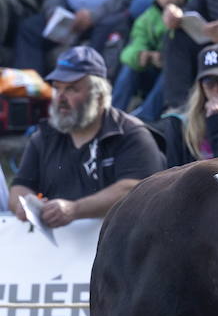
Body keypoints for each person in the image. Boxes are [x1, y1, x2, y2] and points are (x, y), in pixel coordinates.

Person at [8, 46, 164, 229]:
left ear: (98, 96)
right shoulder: (44, 136)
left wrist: (75, 209)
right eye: (57, 89)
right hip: (59, 248)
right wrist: (25, 204)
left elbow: (136, 189)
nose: (61, 98)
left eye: (72, 89)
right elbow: (19, 187)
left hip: (120, 246)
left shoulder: (130, 133)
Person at [14, 0, 147, 73]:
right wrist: (53, 10)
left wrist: (95, 14)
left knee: (109, 28)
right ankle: (29, 94)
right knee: (30, 29)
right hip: (68, 13)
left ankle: (89, 95)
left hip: (109, 15)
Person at [113, 0, 190, 114]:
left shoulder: (194, 12)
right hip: (153, 77)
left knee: (171, 68)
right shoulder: (147, 18)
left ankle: (145, 119)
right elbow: (129, 52)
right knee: (130, 68)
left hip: (184, 78)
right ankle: (113, 115)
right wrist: (144, 55)